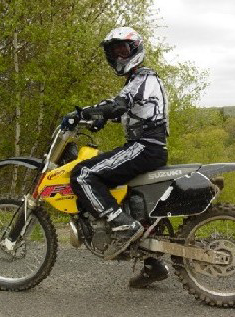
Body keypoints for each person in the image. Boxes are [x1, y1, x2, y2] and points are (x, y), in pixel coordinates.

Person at [62, 26, 169, 288]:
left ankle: (122, 225)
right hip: (148, 146)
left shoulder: (144, 78)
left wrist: (84, 114)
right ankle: (152, 266)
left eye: (123, 49)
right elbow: (119, 107)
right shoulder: (136, 81)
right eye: (114, 51)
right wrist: (94, 117)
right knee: (138, 205)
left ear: (135, 50)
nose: (119, 55)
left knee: (84, 174)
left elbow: (118, 104)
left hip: (145, 146)